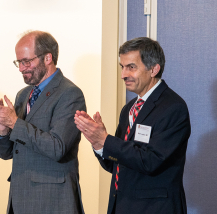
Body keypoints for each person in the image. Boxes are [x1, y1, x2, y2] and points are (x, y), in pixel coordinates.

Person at [74, 37, 190, 214]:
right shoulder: (129, 109)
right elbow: (117, 165)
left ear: (154, 69)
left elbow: (151, 161)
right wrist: (98, 144)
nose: (123, 74)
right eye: (122, 67)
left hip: (155, 209)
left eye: (131, 67)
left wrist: (107, 141)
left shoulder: (173, 108)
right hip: (122, 206)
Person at [0, 31, 86, 213]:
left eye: (26, 61)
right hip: (20, 199)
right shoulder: (23, 95)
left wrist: (14, 123)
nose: (21, 68)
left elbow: (57, 148)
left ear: (48, 58)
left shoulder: (70, 94)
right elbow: (7, 153)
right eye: (19, 62)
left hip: (52, 201)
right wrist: (3, 131)